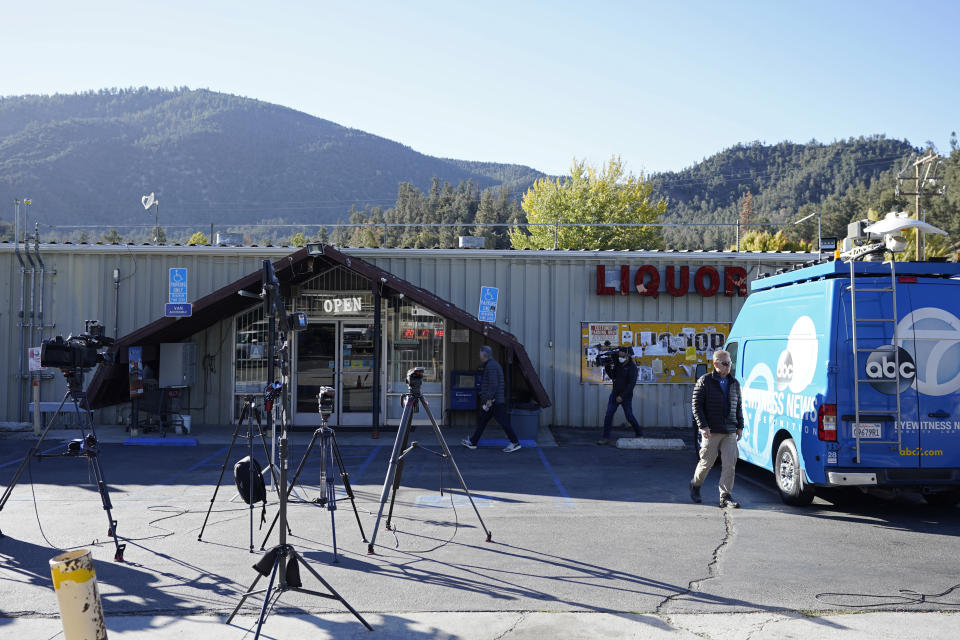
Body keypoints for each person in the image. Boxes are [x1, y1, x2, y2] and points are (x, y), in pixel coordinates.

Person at [689, 349, 744, 508]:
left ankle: (725, 496)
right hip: (711, 430)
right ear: (715, 364)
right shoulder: (705, 381)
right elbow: (696, 405)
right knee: (707, 462)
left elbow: (738, 406)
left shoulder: (734, 383)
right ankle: (695, 485)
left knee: (729, 464)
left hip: (730, 431)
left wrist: (740, 426)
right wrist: (703, 426)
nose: (728, 367)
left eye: (730, 363)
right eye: (725, 363)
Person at [461, 346, 522, 453]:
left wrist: (489, 399)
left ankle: (515, 442)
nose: (479, 355)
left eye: (480, 353)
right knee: (482, 421)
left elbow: (494, 384)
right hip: (493, 401)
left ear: (484, 355)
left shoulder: (491, 366)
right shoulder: (491, 364)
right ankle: (473, 442)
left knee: (503, 422)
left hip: (494, 401)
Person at [596, 347, 643, 445]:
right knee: (608, 415)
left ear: (628, 355)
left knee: (629, 416)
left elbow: (631, 384)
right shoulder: (618, 364)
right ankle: (605, 437)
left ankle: (639, 433)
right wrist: (607, 366)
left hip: (626, 396)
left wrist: (622, 396)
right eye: (619, 353)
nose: (619, 356)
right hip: (615, 394)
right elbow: (612, 376)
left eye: (622, 354)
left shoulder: (632, 368)